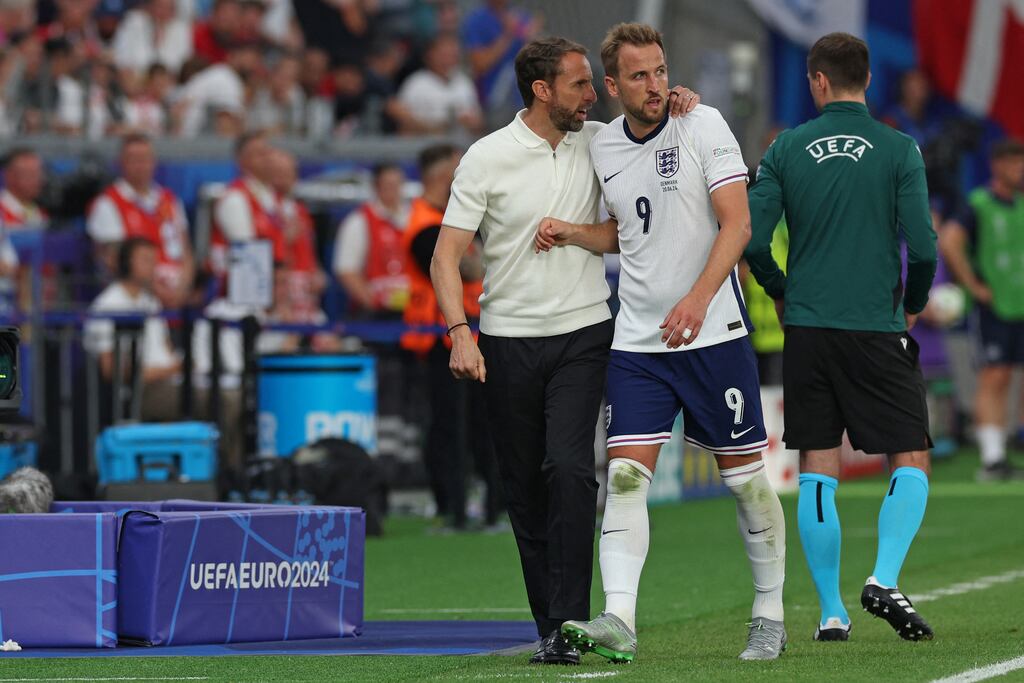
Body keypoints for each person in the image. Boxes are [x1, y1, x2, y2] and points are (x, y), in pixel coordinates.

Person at [429, 36, 697, 665]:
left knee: (572, 472)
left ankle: (573, 620)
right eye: (579, 84)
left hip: (583, 333)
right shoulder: (486, 156)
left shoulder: (600, 140)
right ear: (541, 90)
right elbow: (446, 256)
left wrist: (680, 101)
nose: (591, 94)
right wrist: (459, 332)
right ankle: (551, 627)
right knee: (525, 489)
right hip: (505, 339)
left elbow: (622, 230)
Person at [535, 23, 787, 663]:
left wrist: (700, 298)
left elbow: (739, 222)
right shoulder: (603, 148)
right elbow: (627, 232)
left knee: (747, 482)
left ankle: (769, 611)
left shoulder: (703, 125)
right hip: (639, 343)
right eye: (639, 76)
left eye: (660, 71)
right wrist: (573, 233)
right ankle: (618, 616)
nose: (656, 85)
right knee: (623, 477)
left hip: (715, 336)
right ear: (613, 85)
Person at [744, 32, 937, 643]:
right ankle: (882, 577)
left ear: (817, 81)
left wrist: (779, 287)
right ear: (869, 79)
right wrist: (911, 305)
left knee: (817, 464)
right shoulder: (899, 148)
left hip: (807, 328)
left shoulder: (786, 149)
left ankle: (831, 610)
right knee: (909, 453)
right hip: (875, 328)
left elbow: (751, 240)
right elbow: (924, 247)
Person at [400, 143, 499, 530]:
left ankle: (481, 508)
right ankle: (454, 508)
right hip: (441, 338)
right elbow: (469, 268)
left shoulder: (453, 217)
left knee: (477, 425)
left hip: (470, 331)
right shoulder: (425, 223)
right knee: (448, 426)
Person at [939, 139, 1024, 481]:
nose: (1020, 170)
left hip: (1020, 301)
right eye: (1015, 163)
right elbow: (949, 239)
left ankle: (1012, 445)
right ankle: (992, 458)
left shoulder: (1020, 204)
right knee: (995, 375)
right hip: (995, 306)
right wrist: (973, 285)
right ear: (997, 165)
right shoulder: (978, 204)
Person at [87, 133, 194, 309]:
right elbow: (112, 260)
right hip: (137, 301)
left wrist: (183, 289)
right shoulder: (108, 203)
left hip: (178, 297)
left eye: (145, 159)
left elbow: (186, 251)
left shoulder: (169, 199)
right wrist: (156, 291)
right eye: (134, 159)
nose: (141, 165)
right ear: (121, 163)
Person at [85, 237, 182, 422]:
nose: (152, 267)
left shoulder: (151, 301)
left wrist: (179, 367)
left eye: (154, 261)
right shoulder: (107, 306)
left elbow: (167, 350)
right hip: (140, 392)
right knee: (224, 399)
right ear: (126, 262)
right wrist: (168, 371)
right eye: (145, 260)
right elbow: (111, 370)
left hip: (171, 379)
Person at [332, 163, 410, 317]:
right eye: (388, 185)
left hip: (414, 308)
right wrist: (372, 303)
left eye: (397, 184)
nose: (393, 190)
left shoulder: (413, 218)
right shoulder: (359, 221)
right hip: (378, 312)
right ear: (376, 187)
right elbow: (346, 270)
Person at [209, 130, 284, 281]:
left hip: (272, 286)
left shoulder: (272, 197)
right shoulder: (235, 199)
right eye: (261, 154)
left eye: (268, 152)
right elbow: (248, 254)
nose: (268, 159)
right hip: (242, 292)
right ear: (243, 161)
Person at [394, 33, 484, 136]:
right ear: (429, 55)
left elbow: (478, 122)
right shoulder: (415, 83)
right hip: (424, 146)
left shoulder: (464, 82)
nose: (448, 60)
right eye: (443, 55)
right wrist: (434, 126)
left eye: (453, 55)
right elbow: (403, 126)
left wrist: (472, 122)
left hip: (460, 145)